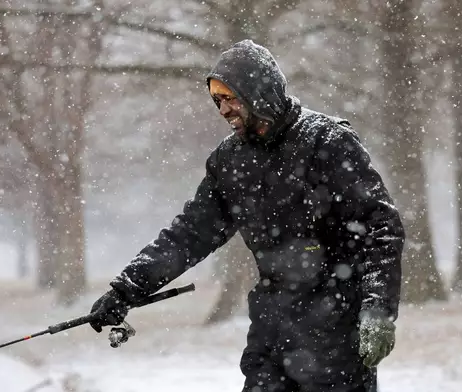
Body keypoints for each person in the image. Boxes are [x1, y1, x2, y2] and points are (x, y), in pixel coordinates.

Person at [88, 39, 405, 392]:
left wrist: (378, 308)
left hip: (339, 332)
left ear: (259, 90)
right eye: (217, 101)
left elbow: (382, 227)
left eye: (230, 97)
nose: (223, 109)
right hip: (273, 333)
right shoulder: (229, 162)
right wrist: (126, 289)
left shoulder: (327, 142)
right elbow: (189, 234)